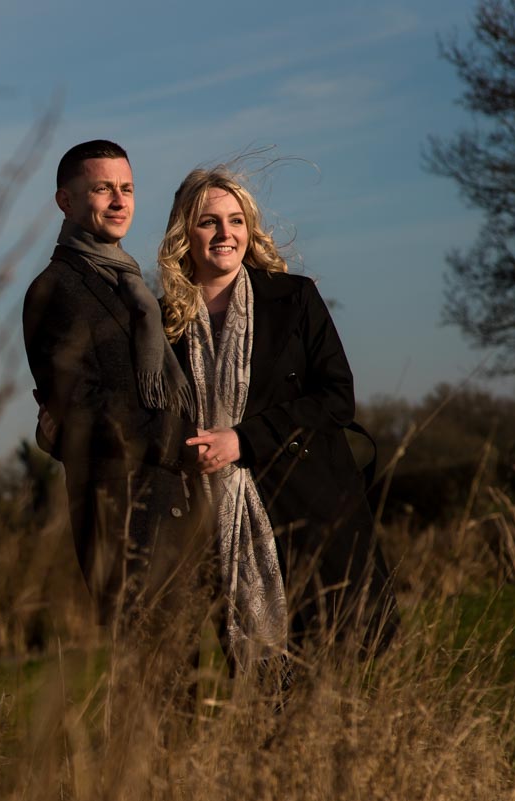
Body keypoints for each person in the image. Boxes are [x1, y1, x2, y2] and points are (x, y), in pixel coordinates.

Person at [164, 167, 399, 664]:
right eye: (208, 221)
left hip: (309, 508)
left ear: (250, 229)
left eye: (236, 220)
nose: (225, 233)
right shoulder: (164, 321)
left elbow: (337, 396)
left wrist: (243, 439)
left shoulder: (293, 298)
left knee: (339, 662)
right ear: (185, 233)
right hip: (214, 520)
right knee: (262, 685)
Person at [22, 140, 206, 626]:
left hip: (179, 506)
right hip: (122, 519)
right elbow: (81, 406)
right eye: (103, 189)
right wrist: (182, 442)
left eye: (127, 188)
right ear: (65, 201)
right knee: (152, 664)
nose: (120, 201)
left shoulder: (135, 289)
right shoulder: (54, 290)